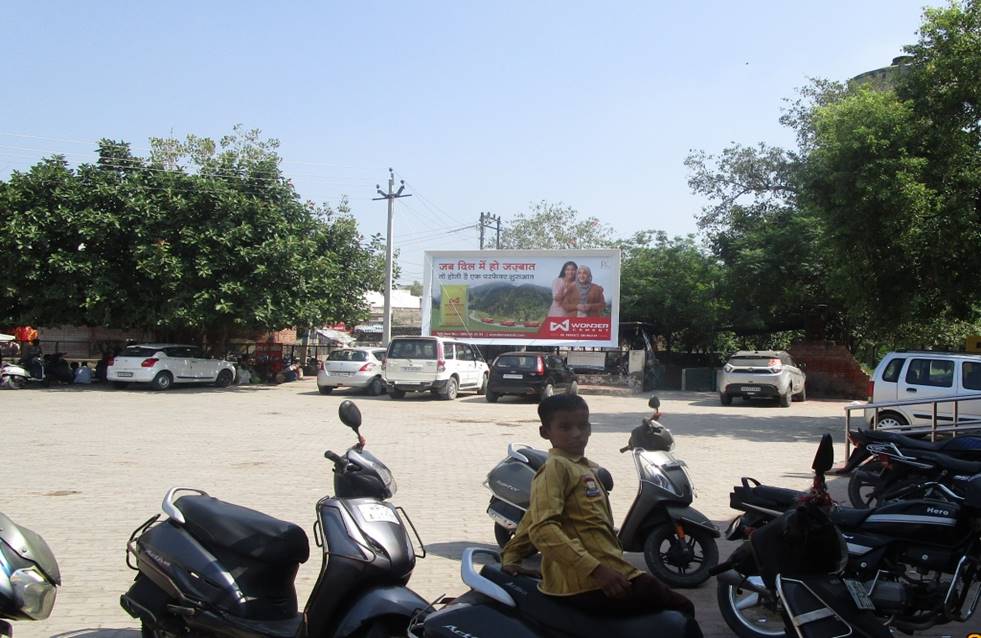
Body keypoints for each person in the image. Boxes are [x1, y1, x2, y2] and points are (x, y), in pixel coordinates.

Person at [501, 394, 695, 618]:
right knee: (682, 608)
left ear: (590, 428)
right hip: (588, 583)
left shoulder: (583, 467)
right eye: (565, 427)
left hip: (607, 571)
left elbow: (533, 517)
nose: (576, 434)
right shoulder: (555, 468)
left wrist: (511, 556)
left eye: (582, 426)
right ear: (545, 432)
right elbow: (543, 529)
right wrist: (597, 571)